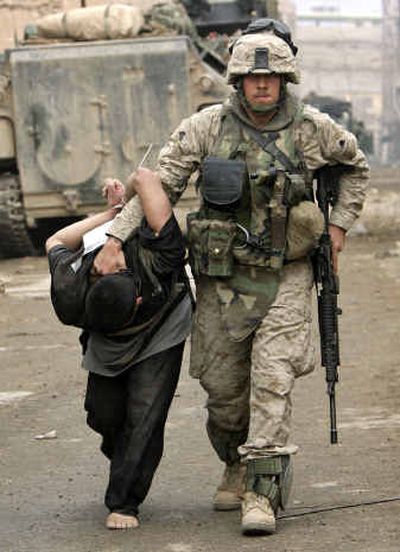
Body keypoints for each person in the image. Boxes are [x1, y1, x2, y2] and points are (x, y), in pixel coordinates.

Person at [93, 19, 369, 535]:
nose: (261, 85)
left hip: (286, 277)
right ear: (237, 80)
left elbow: (355, 166)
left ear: (285, 80)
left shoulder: (313, 129)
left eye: (271, 78)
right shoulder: (204, 128)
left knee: (272, 381)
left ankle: (261, 495)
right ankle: (235, 461)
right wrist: (114, 239)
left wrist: (337, 227)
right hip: (221, 280)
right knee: (222, 394)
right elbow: (162, 184)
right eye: (250, 77)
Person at [46, 169, 192, 530]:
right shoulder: (70, 291)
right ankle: (127, 454)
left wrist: (115, 222)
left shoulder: (161, 258)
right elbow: (55, 244)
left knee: (145, 415)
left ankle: (124, 502)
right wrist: (113, 217)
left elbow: (146, 178)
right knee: (102, 413)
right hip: (106, 343)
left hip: (161, 326)